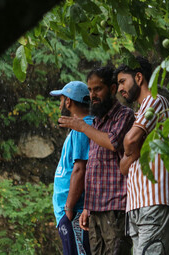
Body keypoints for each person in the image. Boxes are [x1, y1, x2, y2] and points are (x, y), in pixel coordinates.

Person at [58, 66, 135, 255]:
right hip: (95, 209)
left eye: (97, 89)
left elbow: (113, 142)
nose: (93, 95)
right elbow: (93, 166)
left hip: (115, 206)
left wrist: (82, 127)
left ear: (112, 88)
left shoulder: (124, 115)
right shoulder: (98, 121)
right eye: (90, 90)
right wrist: (87, 207)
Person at [114, 57, 169, 255]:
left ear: (138, 78)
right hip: (138, 203)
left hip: (153, 200)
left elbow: (129, 142)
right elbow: (122, 167)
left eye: (122, 82)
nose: (120, 88)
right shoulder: (139, 111)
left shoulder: (156, 101)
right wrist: (134, 151)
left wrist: (133, 148)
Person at [50, 81, 92, 255]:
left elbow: (80, 169)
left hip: (73, 212)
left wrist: (68, 209)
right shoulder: (81, 127)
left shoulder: (82, 128)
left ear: (68, 102)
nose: (60, 103)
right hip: (71, 211)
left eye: (61, 99)